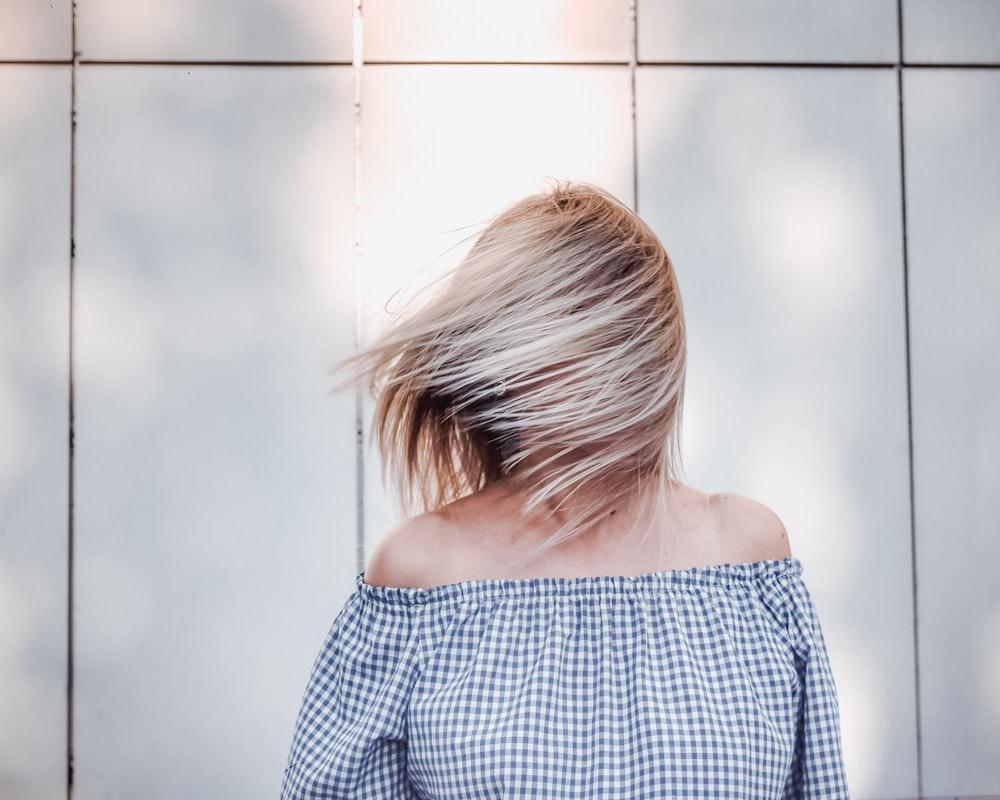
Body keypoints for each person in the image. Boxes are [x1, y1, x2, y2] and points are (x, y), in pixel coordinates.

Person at [280, 182, 849, 799]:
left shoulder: (747, 551)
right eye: (567, 325)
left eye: (619, 328)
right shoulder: (423, 572)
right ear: (499, 348)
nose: (606, 361)